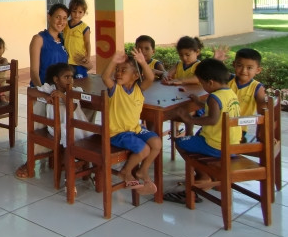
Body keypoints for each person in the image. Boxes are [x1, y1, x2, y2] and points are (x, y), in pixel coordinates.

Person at [15, 3, 69, 179]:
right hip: (41, 90)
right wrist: (43, 93)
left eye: (64, 18)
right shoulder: (39, 39)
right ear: (49, 17)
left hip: (58, 92)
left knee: (76, 112)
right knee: (40, 126)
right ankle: (32, 159)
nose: (61, 21)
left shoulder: (63, 40)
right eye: (57, 17)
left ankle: (64, 155)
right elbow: (34, 71)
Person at [174, 58, 241, 190]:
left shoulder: (213, 97)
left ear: (210, 82)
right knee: (197, 136)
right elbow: (217, 109)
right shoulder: (230, 93)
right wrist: (198, 102)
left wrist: (189, 119)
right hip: (233, 145)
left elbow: (212, 119)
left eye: (202, 83)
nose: (203, 87)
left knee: (180, 142)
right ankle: (212, 175)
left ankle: (203, 175)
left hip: (215, 145)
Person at [102, 49, 161, 195]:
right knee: (144, 149)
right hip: (117, 132)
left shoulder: (139, 89)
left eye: (123, 70)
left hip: (135, 129)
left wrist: (142, 62)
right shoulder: (115, 89)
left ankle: (142, 171)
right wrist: (114, 61)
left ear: (135, 76)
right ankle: (125, 171)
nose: (118, 73)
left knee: (156, 143)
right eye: (117, 70)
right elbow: (105, 77)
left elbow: (150, 77)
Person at [38, 63, 91, 148]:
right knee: (67, 135)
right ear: (56, 79)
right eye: (66, 77)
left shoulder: (75, 91)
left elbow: (72, 108)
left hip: (75, 127)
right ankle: (67, 158)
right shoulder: (50, 89)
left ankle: (71, 158)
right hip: (55, 128)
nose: (70, 80)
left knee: (81, 137)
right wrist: (45, 96)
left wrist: (63, 96)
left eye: (72, 77)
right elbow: (30, 91)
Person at [228, 48, 266, 141]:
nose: (244, 71)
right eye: (240, 65)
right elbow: (211, 74)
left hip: (239, 129)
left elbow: (263, 113)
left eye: (249, 68)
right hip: (219, 124)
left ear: (258, 70)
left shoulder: (257, 88)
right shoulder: (226, 79)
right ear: (234, 65)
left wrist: (264, 134)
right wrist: (217, 60)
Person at [63, 0, 92, 78]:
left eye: (80, 12)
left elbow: (87, 43)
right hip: (67, 61)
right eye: (74, 11)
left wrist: (88, 56)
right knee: (69, 82)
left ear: (84, 13)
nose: (76, 15)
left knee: (81, 82)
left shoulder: (84, 27)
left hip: (79, 61)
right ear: (70, 11)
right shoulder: (65, 25)